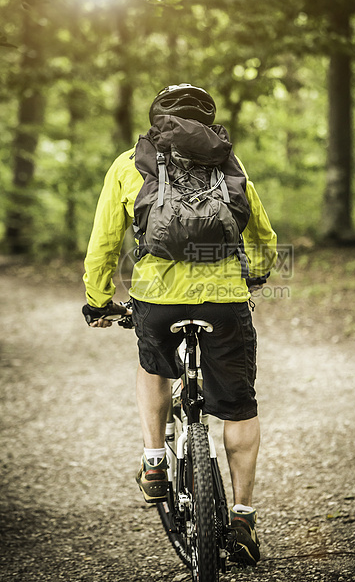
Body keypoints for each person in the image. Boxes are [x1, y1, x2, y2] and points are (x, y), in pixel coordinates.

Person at [82, 83, 277, 567]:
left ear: (156, 117)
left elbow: (104, 242)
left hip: (157, 299)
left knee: (154, 363)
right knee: (237, 407)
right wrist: (256, 274)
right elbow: (261, 233)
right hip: (225, 301)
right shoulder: (227, 162)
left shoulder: (130, 163)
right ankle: (244, 518)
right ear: (208, 121)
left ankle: (153, 460)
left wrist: (98, 300)